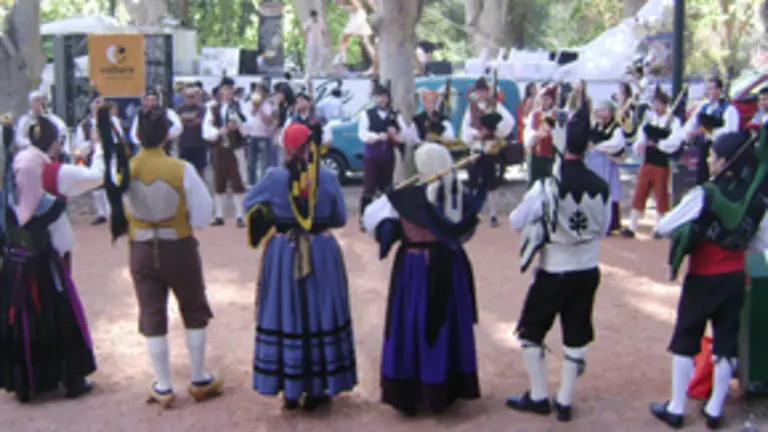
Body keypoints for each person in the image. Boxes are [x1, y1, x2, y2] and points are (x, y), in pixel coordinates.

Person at [649, 130, 768, 430]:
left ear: (726, 162)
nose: (711, 160)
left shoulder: (705, 193)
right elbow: (759, 242)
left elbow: (663, 225)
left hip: (703, 277)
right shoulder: (756, 198)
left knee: (686, 338)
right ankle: (715, 409)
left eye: (715, 156)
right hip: (734, 279)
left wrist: (688, 234)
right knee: (725, 341)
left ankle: (676, 408)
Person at [362, 142, 485, 416]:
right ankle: (445, 388)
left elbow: (372, 222)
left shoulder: (404, 198)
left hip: (415, 268)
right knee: (445, 323)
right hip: (450, 265)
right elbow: (466, 234)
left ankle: (410, 391)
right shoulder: (459, 195)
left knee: (413, 321)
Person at [506, 100, 610, 423]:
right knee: (577, 332)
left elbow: (515, 221)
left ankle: (539, 395)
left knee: (531, 331)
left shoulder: (547, 186)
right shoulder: (602, 186)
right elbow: (603, 229)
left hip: (555, 270)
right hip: (588, 268)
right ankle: (564, 401)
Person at [244, 123, 357, 411]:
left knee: (287, 310)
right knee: (320, 310)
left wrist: (276, 215)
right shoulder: (327, 177)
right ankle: (319, 386)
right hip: (320, 250)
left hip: (284, 252)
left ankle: (290, 388)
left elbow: (249, 206)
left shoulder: (273, 178)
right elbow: (340, 217)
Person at [117, 106, 220, 409]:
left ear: (136, 134)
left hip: (141, 247)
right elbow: (203, 215)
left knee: (151, 311)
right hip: (178, 246)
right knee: (194, 307)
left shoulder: (125, 169)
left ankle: (163, 384)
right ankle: (198, 377)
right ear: (166, 135)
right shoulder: (181, 169)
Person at [0, 147, 96, 403]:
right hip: (44, 273)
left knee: (19, 323)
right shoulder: (50, 206)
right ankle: (71, 379)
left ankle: (24, 384)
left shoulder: (4, 202)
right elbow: (63, 243)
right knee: (59, 320)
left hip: (12, 271)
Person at [621, 88, 683, 239]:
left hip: (661, 163)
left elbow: (675, 141)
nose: (657, 107)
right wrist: (639, 146)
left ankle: (660, 228)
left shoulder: (673, 121)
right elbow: (640, 138)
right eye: (655, 103)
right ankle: (632, 226)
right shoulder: (648, 120)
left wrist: (659, 144)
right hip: (647, 161)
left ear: (665, 105)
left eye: (659, 104)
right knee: (640, 193)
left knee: (661, 195)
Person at [461, 77, 515, 227]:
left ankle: (493, 214)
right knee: (473, 182)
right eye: (479, 92)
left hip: (490, 148)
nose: (481, 94)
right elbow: (464, 129)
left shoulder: (495, 106)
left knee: (492, 183)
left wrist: (495, 131)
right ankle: (473, 212)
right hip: (477, 148)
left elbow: (509, 122)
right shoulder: (471, 108)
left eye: (484, 91)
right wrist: (475, 134)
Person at [358, 84, 408, 228]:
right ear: (374, 98)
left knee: (387, 187)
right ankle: (363, 218)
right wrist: (377, 136)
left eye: (384, 96)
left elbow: (404, 134)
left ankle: (386, 217)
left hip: (387, 155)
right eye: (379, 96)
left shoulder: (395, 114)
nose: (381, 99)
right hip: (371, 155)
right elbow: (362, 134)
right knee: (369, 187)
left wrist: (395, 135)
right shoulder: (367, 114)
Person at [202, 76, 248, 227]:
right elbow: (206, 128)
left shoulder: (240, 106)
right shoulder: (213, 107)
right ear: (220, 90)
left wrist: (239, 126)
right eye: (225, 89)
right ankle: (219, 215)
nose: (228, 92)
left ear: (233, 90)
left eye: (230, 89)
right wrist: (218, 132)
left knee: (238, 180)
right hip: (219, 148)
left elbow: (248, 126)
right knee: (219, 181)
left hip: (236, 148)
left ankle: (240, 215)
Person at [73, 96, 122, 225]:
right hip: (93, 156)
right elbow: (79, 144)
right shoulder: (85, 125)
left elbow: (119, 138)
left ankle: (113, 212)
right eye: (97, 103)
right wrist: (91, 145)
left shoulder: (113, 121)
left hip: (109, 155)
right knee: (95, 183)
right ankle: (100, 213)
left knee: (112, 181)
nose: (99, 105)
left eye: (101, 103)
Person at [682, 77, 740, 184]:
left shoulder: (729, 110)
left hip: (719, 151)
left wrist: (709, 132)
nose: (708, 92)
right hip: (704, 149)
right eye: (707, 89)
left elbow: (730, 133)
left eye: (711, 89)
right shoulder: (703, 107)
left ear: (719, 90)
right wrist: (689, 133)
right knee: (702, 179)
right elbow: (691, 124)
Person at [585, 100, 625, 235]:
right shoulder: (596, 127)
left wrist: (599, 147)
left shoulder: (616, 128)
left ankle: (609, 223)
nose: (599, 112)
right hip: (595, 165)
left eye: (602, 109)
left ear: (609, 112)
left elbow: (616, 144)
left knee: (610, 191)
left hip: (608, 164)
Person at [15, 91, 69, 160]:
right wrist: (31, 144)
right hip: (31, 155)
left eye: (41, 100)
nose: (39, 103)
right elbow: (19, 138)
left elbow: (62, 131)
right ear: (31, 103)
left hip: (49, 154)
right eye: (37, 101)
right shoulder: (25, 120)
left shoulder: (52, 119)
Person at [523, 84, 558, 187]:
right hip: (535, 156)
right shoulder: (534, 115)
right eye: (543, 99)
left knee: (549, 184)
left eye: (548, 99)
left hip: (551, 156)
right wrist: (535, 134)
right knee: (534, 184)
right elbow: (527, 134)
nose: (545, 102)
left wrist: (551, 133)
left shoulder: (556, 115)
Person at [242, 84, 276, 186]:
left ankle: (263, 184)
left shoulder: (269, 104)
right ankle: (251, 183)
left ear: (265, 93)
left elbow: (267, 120)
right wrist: (255, 106)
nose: (257, 93)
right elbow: (250, 115)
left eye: (260, 91)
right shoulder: (249, 103)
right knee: (251, 162)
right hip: (252, 135)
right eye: (256, 91)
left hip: (264, 136)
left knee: (264, 163)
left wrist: (260, 107)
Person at [176, 87, 209, 179]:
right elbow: (178, 123)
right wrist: (191, 118)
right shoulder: (180, 108)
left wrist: (185, 119)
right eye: (187, 96)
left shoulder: (202, 109)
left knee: (200, 170)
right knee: (184, 171)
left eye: (192, 96)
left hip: (199, 143)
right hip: (184, 144)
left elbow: (199, 122)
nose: (189, 99)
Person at [303, 9, 327, 77]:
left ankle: (318, 71)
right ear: (311, 16)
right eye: (313, 17)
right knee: (310, 58)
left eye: (315, 16)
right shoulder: (308, 22)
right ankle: (308, 72)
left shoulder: (321, 20)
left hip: (319, 42)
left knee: (320, 57)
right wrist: (306, 40)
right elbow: (305, 31)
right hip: (311, 43)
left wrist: (325, 40)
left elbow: (323, 31)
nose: (315, 18)